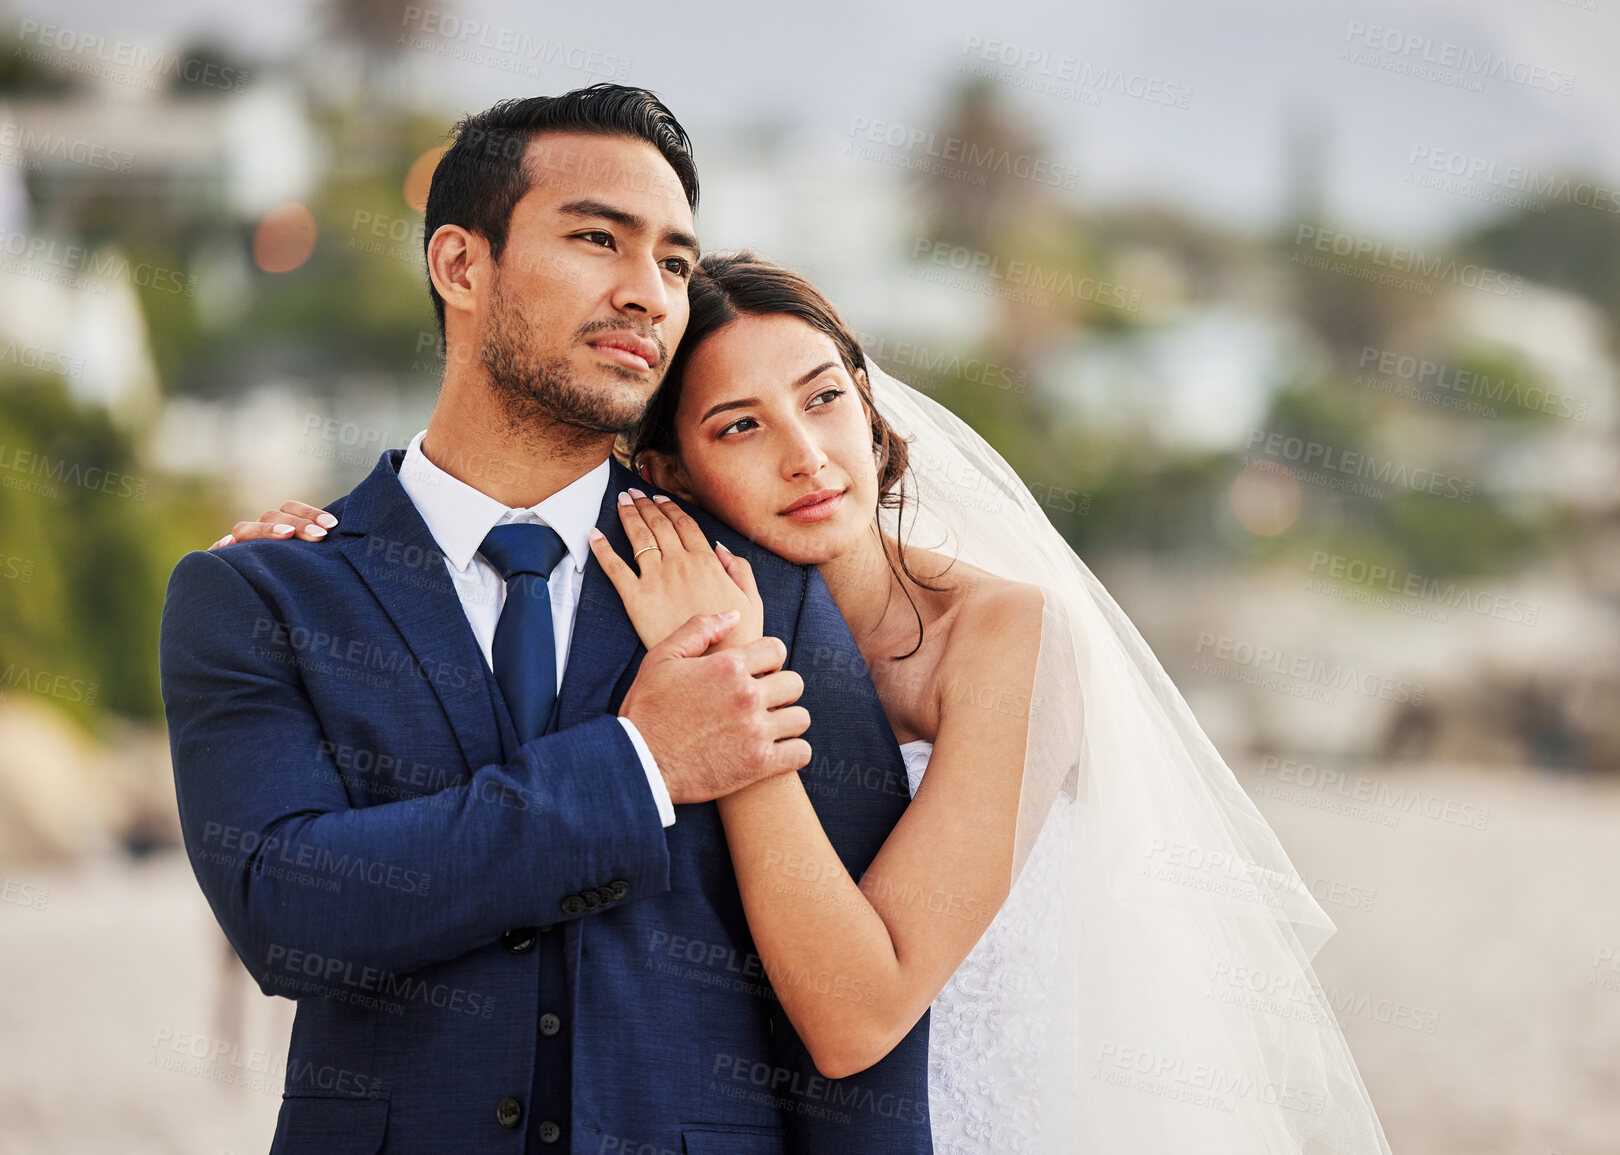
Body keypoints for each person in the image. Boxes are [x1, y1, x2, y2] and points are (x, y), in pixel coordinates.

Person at [226, 253, 1395, 1153]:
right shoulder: (640, 606)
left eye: (824, 398)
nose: (806, 453)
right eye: (741, 424)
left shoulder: (1003, 636)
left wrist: (734, 694)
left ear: (874, 412)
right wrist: (330, 551)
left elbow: (861, 1013)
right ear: (669, 471)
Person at [165, 88, 932, 1155]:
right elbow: (289, 916)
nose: (649, 293)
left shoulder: (766, 592)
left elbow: (857, 1047)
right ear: (459, 266)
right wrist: (639, 765)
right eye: (595, 240)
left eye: (673, 261)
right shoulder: (264, 592)